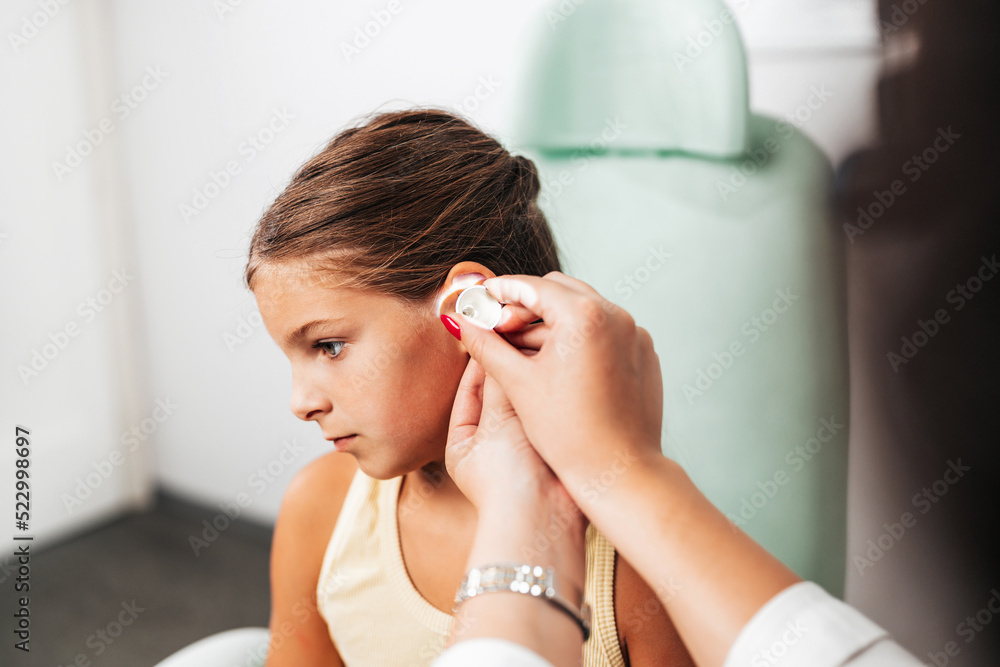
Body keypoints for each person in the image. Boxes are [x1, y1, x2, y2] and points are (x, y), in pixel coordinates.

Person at [246, 107, 693, 666]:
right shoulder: (320, 510)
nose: (301, 403)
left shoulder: (633, 564)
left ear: (467, 312)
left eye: (329, 347)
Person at [430, 271, 926, 667]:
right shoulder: (354, 507)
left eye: (346, 346)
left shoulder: (627, 582)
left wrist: (623, 475)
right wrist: (628, 474)